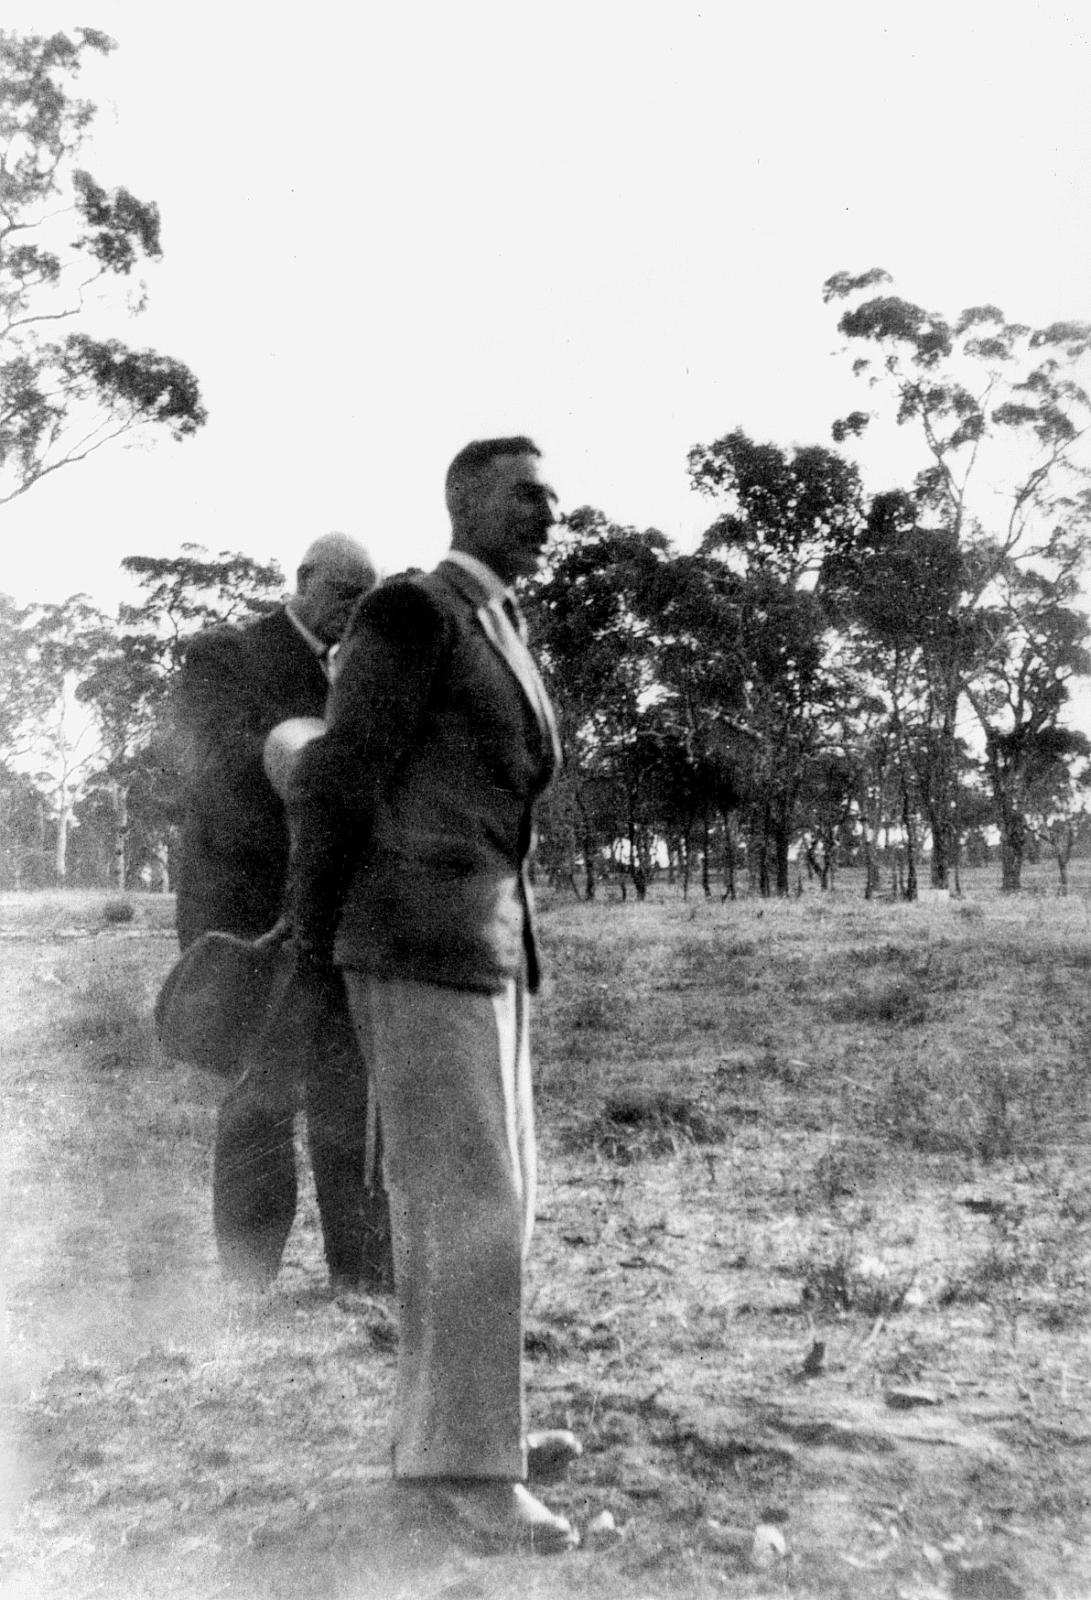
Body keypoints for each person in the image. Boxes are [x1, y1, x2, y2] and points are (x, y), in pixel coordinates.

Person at [285, 439, 581, 1553]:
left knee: (493, 1203)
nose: (547, 515)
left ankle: (467, 1431)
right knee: (466, 1207)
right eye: (525, 497)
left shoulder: (499, 620)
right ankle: (464, 1467)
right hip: (417, 947)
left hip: (488, 948)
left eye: (555, 501)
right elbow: (340, 782)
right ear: (464, 502)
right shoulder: (414, 611)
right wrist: (310, 944)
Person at [173, 533, 389, 1294]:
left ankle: (361, 1279)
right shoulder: (228, 656)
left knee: (351, 1094)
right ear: (302, 582)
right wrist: (294, 755)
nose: (353, 611)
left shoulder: (364, 671)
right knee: (260, 1102)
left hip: (338, 919)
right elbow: (211, 770)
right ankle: (247, 1282)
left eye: (366, 598)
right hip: (253, 920)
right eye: (342, 593)